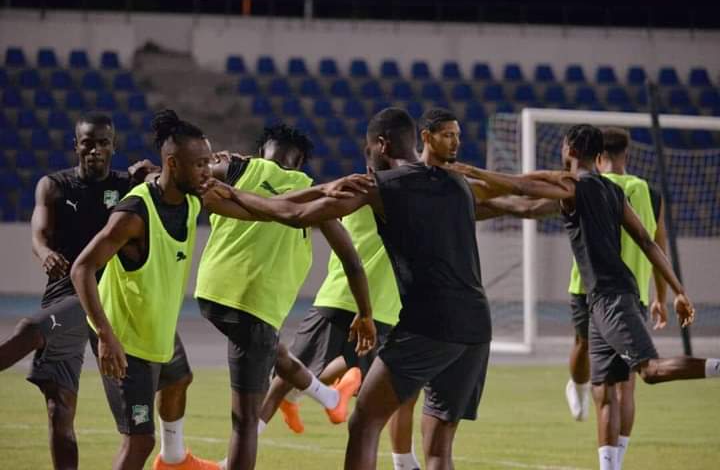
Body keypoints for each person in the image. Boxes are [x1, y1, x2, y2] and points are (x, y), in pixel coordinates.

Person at [202, 107, 578, 470]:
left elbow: (293, 214)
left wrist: (228, 193)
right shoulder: (459, 185)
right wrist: (579, 193)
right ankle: (351, 412)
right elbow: (522, 204)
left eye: (369, 149)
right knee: (439, 447)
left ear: (381, 145)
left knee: (363, 421)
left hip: (427, 324)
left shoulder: (379, 187)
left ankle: (324, 396)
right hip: (477, 328)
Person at [450, 124, 720, 470]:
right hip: (604, 299)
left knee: (649, 371)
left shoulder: (573, 186)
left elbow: (520, 186)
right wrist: (678, 291)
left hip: (611, 299)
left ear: (571, 150)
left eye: (564, 147)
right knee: (604, 388)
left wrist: (470, 171)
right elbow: (648, 241)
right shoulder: (611, 191)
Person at [482, 127, 669, 466]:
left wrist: (481, 194)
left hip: (586, 288)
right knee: (625, 381)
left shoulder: (579, 186)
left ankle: (581, 392)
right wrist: (663, 294)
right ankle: (609, 446)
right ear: (626, 153)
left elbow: (529, 203)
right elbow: (656, 241)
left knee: (591, 354)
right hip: (631, 291)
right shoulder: (647, 193)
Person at [194, 124, 374, 470]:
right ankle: (329, 396)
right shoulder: (312, 193)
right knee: (246, 421)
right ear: (301, 160)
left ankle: (329, 396)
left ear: (262, 151)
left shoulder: (237, 168)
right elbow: (352, 261)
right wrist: (364, 312)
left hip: (211, 293)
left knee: (274, 350)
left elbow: (194, 171)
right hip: (256, 305)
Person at [256, 121, 420, 470]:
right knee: (282, 378)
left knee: (375, 385)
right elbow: (301, 209)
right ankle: (238, 454)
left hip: (384, 309)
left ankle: (305, 395)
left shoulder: (394, 192)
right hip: (344, 299)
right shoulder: (360, 190)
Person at [0, 112, 156, 470]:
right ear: (76, 145)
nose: (95, 150)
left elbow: (166, 186)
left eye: (103, 142)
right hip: (63, 295)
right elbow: (38, 234)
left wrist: (149, 174)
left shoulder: (128, 187)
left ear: (113, 146)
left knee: (28, 330)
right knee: (59, 412)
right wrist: (45, 252)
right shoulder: (53, 185)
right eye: (88, 142)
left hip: (109, 303)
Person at [70, 109, 220, 470]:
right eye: (199, 164)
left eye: (209, 163)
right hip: (125, 340)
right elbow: (82, 268)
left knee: (179, 380)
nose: (207, 171)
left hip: (158, 330)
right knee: (139, 440)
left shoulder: (189, 198)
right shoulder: (134, 214)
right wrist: (106, 336)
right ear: (173, 163)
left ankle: (173, 461)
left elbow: (248, 203)